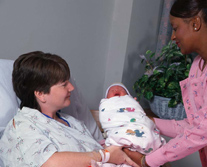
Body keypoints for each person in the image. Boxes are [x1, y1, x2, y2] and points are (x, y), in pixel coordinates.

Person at [124, 0, 207, 166]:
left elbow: (203, 131)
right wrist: (147, 121)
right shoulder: (199, 65)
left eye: (175, 28)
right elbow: (194, 125)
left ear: (195, 23)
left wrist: (147, 161)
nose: (172, 36)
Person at [0, 51, 138, 167]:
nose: (71, 88)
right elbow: (50, 163)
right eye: (64, 84)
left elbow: (100, 148)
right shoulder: (22, 125)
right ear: (40, 94)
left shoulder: (72, 122)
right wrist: (104, 155)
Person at [99, 83, 165, 155]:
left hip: (138, 124)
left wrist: (133, 102)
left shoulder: (130, 101)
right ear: (106, 98)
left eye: (121, 89)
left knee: (148, 131)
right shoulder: (107, 103)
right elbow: (105, 113)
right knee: (116, 137)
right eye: (111, 90)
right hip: (119, 128)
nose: (116, 90)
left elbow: (137, 113)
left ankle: (148, 141)